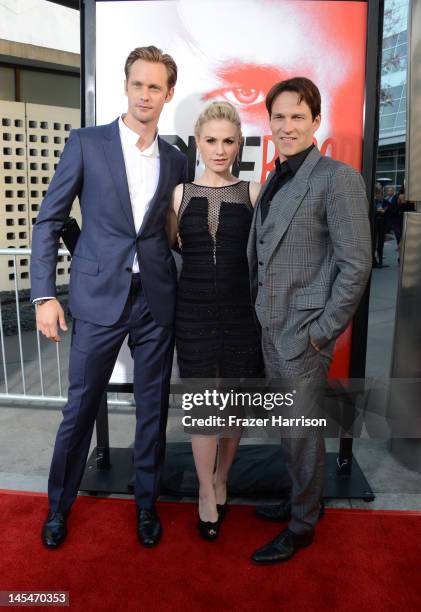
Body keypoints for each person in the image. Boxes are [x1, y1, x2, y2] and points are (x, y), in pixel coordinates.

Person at [30, 46, 187, 549]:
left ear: (168, 94)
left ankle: (146, 505)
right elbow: (50, 220)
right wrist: (43, 296)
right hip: (98, 300)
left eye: (155, 87)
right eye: (138, 84)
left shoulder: (177, 157)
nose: (146, 94)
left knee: (152, 410)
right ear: (126, 86)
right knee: (79, 409)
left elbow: (165, 230)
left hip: (155, 300)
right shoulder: (87, 143)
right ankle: (58, 507)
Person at [247, 77, 372, 564]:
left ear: (316, 121)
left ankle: (302, 527)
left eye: (298, 116)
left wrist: (322, 334)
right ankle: (303, 498)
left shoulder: (336, 178)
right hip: (270, 329)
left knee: (302, 432)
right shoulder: (277, 176)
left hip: (304, 337)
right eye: (279, 117)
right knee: (291, 430)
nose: (287, 125)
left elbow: (356, 264)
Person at [167, 101, 263, 540]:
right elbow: (169, 247)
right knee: (203, 406)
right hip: (193, 312)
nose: (220, 150)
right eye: (211, 141)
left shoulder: (252, 192)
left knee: (235, 406)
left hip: (242, 313)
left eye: (228, 141)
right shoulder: (180, 193)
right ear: (198, 143)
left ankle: (224, 476)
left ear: (239, 143)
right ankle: (206, 490)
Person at [372, 184, 387, 268]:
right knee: (374, 243)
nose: (381, 196)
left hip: (381, 225)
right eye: (380, 194)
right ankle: (375, 261)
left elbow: (386, 211)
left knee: (380, 243)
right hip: (374, 225)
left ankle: (379, 261)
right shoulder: (373, 201)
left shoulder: (384, 202)